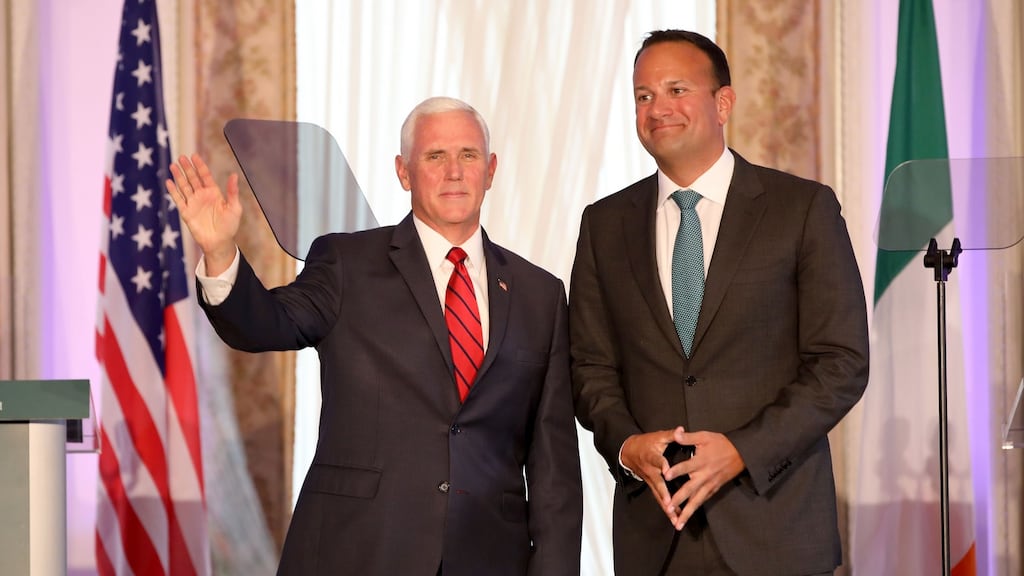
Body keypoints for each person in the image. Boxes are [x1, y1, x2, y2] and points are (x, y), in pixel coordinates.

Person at [166, 96, 583, 576]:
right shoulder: (348, 264)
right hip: (360, 549)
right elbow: (264, 324)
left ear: (490, 170)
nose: (453, 171)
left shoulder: (541, 293)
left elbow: (555, 471)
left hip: (489, 557)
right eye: (434, 156)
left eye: (468, 155)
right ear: (403, 172)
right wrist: (220, 253)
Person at [569, 30, 869, 576]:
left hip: (774, 529)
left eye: (676, 89)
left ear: (723, 102)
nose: (658, 108)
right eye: (643, 96)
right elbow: (590, 365)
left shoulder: (801, 209)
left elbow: (841, 362)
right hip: (656, 535)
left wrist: (742, 451)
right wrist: (626, 444)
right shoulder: (603, 224)